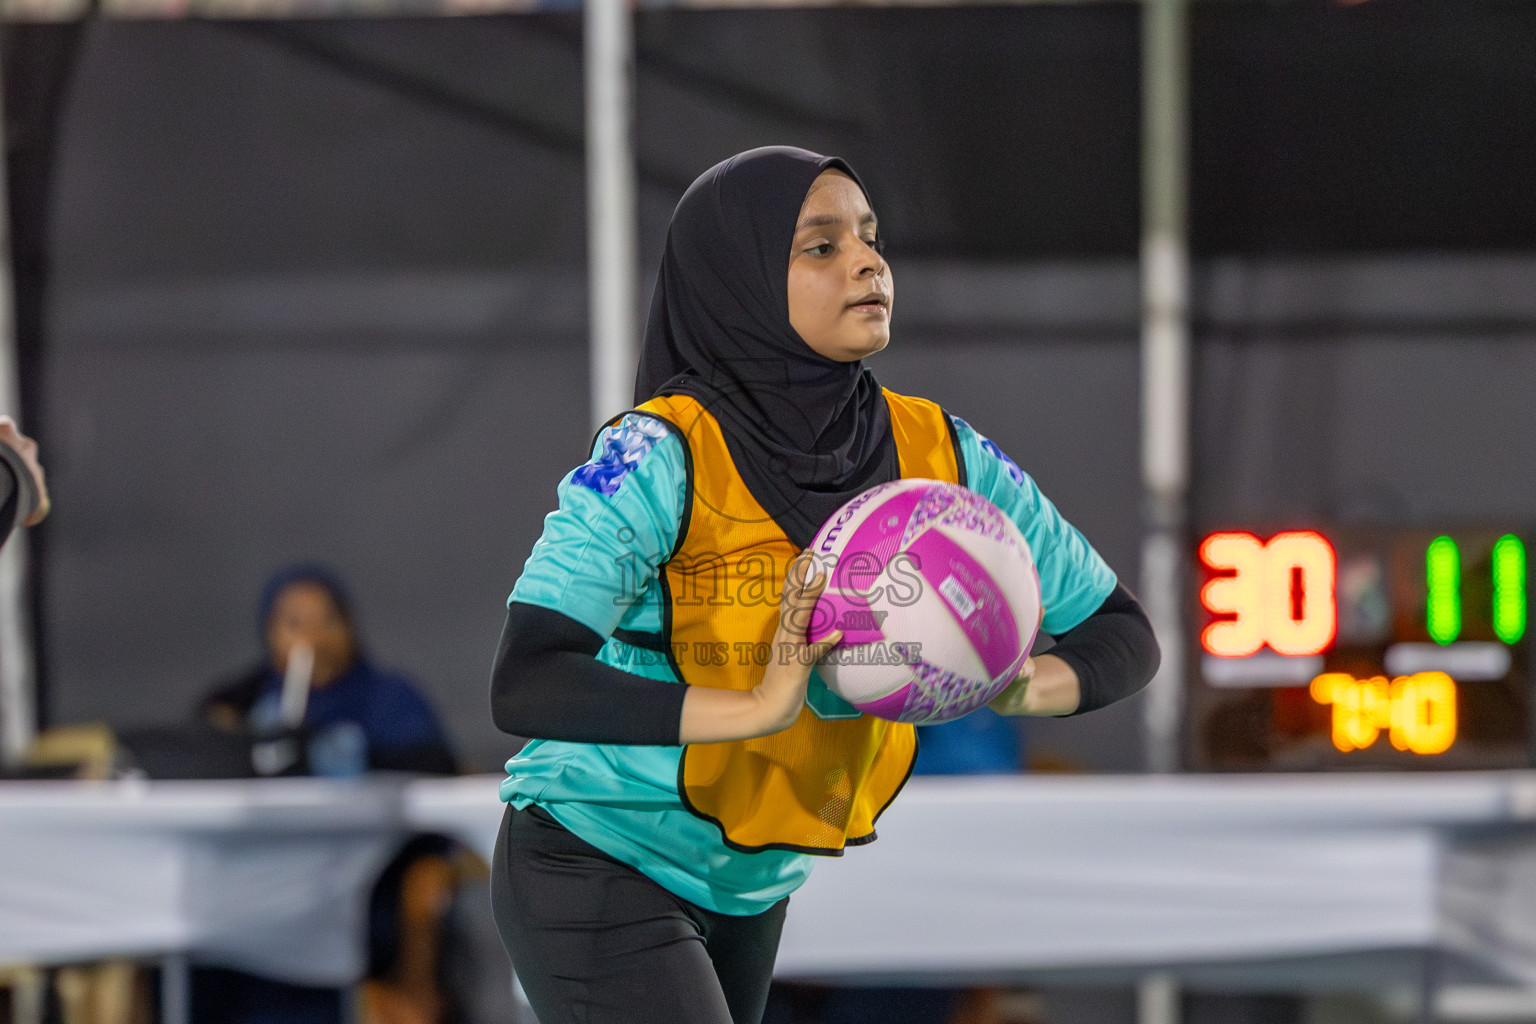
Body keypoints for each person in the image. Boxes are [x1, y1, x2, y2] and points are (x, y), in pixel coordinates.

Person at [488, 147, 1160, 1024]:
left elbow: (1124, 633)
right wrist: (754, 707)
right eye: (821, 246)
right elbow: (529, 679)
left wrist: (1016, 681)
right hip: (595, 854)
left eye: (871, 238)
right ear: (739, 281)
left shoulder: (943, 455)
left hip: (749, 882)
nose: (868, 262)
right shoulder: (658, 454)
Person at [198, 565, 459, 1024]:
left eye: (327, 620)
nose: (312, 636)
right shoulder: (247, 704)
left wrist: (349, 757)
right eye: (293, 622)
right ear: (269, 633)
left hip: (371, 880)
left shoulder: (388, 698)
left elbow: (435, 772)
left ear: (350, 627)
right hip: (264, 878)